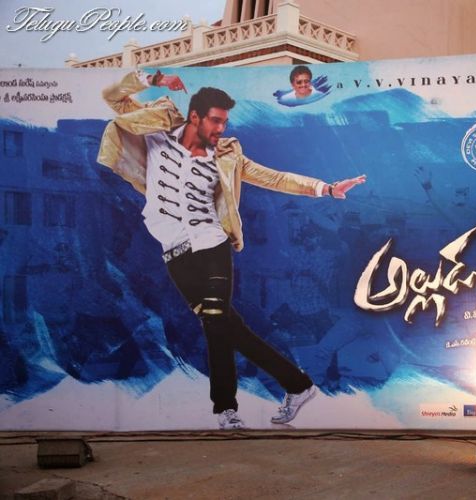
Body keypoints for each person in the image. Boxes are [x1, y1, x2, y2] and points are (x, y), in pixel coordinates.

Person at [97, 69, 366, 429]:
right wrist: (153, 78)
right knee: (226, 326)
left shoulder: (226, 157)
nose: (221, 129)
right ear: (194, 117)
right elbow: (112, 96)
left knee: (214, 323)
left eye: (224, 122)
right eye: (215, 121)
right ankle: (297, 385)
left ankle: (226, 410)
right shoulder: (157, 131)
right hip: (174, 253)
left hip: (211, 244)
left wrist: (326, 188)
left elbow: (274, 178)